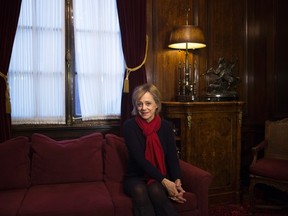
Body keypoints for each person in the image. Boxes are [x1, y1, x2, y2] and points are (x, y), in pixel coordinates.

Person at [123, 83, 186, 216]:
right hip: (136, 176)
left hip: (158, 175)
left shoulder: (166, 127)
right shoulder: (129, 126)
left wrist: (177, 180)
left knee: (155, 190)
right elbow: (139, 160)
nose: (143, 108)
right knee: (140, 191)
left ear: (156, 104)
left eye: (148, 103)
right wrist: (165, 181)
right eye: (139, 104)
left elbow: (172, 157)